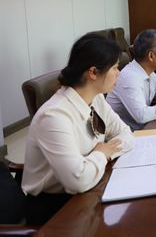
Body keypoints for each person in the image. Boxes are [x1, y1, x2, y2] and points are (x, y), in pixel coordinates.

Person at [22, 34, 134, 225]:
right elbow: (78, 180)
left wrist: (104, 154)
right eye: (115, 68)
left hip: (92, 186)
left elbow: (126, 134)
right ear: (93, 73)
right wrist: (102, 153)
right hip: (55, 208)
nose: (119, 73)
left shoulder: (96, 98)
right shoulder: (54, 116)